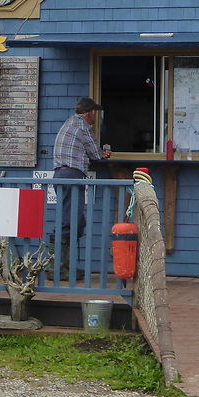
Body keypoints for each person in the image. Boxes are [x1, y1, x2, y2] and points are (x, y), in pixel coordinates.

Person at [52, 97, 111, 278]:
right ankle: (60, 269)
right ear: (89, 113)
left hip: (61, 174)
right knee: (70, 221)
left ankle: (63, 267)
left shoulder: (70, 122)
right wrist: (105, 153)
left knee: (72, 219)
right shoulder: (83, 127)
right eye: (95, 112)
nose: (95, 116)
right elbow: (95, 154)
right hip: (71, 175)